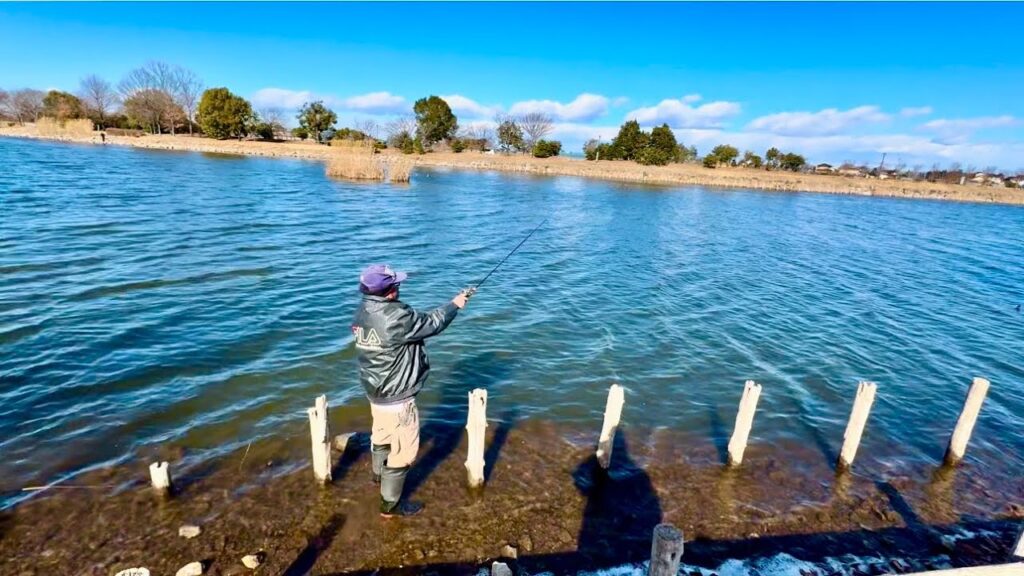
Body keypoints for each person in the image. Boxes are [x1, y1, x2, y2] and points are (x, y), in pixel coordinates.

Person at [351, 263, 468, 517]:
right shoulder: (396, 316)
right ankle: (390, 506)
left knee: (381, 436)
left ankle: (377, 478)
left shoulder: (362, 311)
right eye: (396, 284)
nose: (399, 287)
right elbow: (433, 323)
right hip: (397, 398)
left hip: (375, 392)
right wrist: (455, 304)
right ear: (390, 291)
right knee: (403, 453)